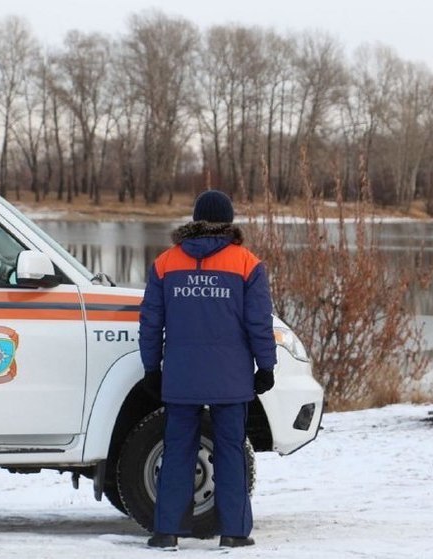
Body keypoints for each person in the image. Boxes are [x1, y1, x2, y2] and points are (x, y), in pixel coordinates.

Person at [138, 189, 277, 551]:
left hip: (181, 375)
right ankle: (234, 532)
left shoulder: (166, 263)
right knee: (230, 450)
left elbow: (151, 322)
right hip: (231, 378)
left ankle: (166, 532)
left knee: (177, 449)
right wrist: (266, 365)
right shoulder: (247, 263)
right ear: (229, 221)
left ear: (195, 219)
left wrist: (152, 367)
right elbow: (259, 323)